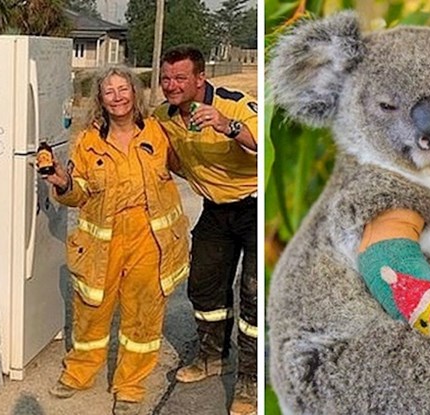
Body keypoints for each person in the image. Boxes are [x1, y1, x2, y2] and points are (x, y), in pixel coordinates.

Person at [40, 66, 190, 415]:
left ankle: (130, 386)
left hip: (150, 239)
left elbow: (190, 165)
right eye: (110, 91)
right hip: (101, 241)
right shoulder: (88, 141)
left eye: (124, 89)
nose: (118, 97)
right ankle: (79, 373)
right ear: (101, 100)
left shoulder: (159, 131)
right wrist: (62, 181)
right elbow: (78, 194)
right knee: (92, 310)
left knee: (143, 316)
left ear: (135, 94)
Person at [153, 46, 258, 415]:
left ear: (201, 78)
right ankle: (212, 357)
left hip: (257, 204)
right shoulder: (164, 116)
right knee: (203, 284)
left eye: (180, 78)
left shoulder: (233, 103)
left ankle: (250, 379)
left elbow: (265, 146)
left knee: (254, 293)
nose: (171, 85)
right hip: (216, 209)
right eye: (166, 78)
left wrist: (227, 126)